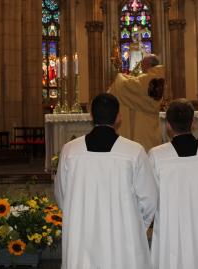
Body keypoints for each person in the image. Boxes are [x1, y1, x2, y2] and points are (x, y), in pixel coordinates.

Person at [54, 93, 157, 269]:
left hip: (82, 236)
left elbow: (62, 196)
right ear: (119, 117)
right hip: (123, 239)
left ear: (91, 115)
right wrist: (134, 225)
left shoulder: (70, 151)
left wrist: (80, 216)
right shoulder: (134, 151)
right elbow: (149, 200)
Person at [149, 99, 198, 269]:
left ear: (168, 125)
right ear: (193, 122)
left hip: (171, 231)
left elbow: (151, 198)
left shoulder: (157, 155)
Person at [108, 54, 165, 151]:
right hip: (151, 125)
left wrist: (120, 77)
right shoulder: (159, 77)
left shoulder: (150, 78)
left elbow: (126, 86)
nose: (141, 66)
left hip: (144, 129)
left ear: (148, 64)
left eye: (142, 63)